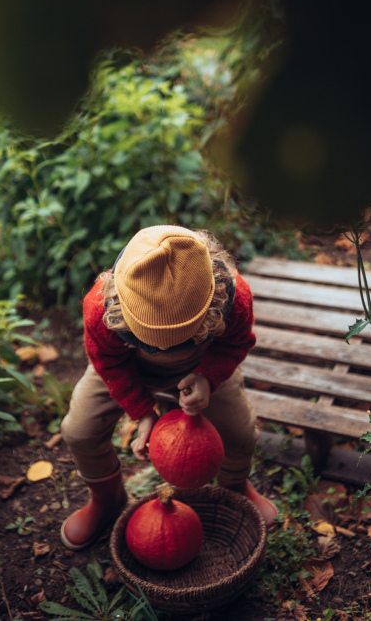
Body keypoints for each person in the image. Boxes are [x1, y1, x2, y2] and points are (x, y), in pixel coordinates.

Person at [60, 224, 278, 551]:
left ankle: (235, 487)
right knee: (79, 431)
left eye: (182, 335)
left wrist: (208, 376)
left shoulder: (234, 295)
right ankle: (106, 499)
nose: (162, 349)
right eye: (147, 338)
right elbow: (107, 360)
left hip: (202, 364)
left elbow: (236, 343)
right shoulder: (101, 306)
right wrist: (142, 411)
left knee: (241, 432)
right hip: (125, 369)